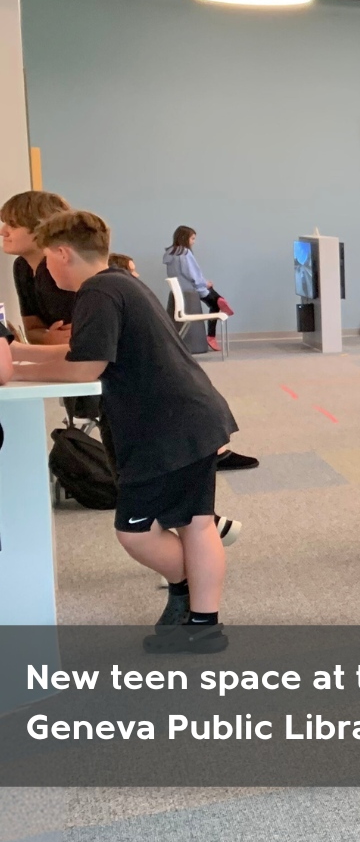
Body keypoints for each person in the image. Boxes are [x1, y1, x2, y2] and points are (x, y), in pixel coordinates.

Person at [9, 211, 238, 652]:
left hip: (167, 427)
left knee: (137, 531)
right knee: (194, 522)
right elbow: (86, 356)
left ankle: (189, 592)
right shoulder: (118, 281)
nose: (45, 272)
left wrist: (19, 361)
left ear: (62, 252)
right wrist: (20, 357)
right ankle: (201, 621)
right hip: (185, 419)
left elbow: (85, 368)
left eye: (46, 262)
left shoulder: (98, 291)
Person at [2, 190, 75, 344]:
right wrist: (47, 337)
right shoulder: (22, 266)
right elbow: (32, 331)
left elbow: (75, 339)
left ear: (41, 228)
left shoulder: (68, 267)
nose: (3, 232)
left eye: (13, 225)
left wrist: (45, 338)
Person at [163, 225, 231, 322]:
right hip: (191, 289)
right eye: (192, 239)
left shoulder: (170, 253)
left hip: (180, 288)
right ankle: (211, 334)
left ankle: (219, 299)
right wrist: (204, 283)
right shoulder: (185, 253)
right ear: (185, 238)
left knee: (209, 288)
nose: (194, 242)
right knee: (214, 304)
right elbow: (192, 273)